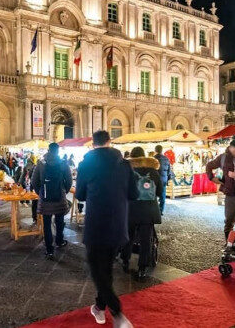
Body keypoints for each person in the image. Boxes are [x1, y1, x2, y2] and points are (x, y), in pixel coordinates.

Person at [75, 130, 138, 328]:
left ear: (93, 143)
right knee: (107, 268)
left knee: (97, 271)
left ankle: (117, 313)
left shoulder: (86, 163)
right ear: (110, 142)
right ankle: (99, 307)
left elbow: (81, 194)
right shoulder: (124, 164)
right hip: (118, 225)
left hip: (97, 224)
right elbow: (134, 193)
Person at [121, 147, 162, 280]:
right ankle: (142, 268)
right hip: (148, 210)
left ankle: (125, 260)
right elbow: (160, 191)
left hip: (131, 209)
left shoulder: (127, 171)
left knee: (128, 236)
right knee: (146, 240)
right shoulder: (154, 171)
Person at [31, 143, 73, 260]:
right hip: (60, 198)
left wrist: (41, 193)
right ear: (58, 151)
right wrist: (63, 191)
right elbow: (69, 181)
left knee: (47, 224)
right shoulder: (63, 163)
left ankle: (49, 249)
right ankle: (59, 241)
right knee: (59, 221)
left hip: (45, 200)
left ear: (48, 150)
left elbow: (34, 181)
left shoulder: (41, 163)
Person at [153, 145, 172, 216]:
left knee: (153, 195)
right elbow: (169, 171)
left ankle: (154, 210)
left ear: (155, 150)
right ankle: (161, 211)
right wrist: (168, 179)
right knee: (162, 195)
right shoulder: (166, 159)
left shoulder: (153, 159)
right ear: (162, 150)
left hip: (154, 180)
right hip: (163, 180)